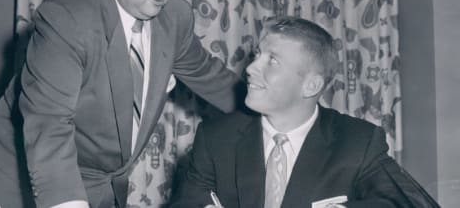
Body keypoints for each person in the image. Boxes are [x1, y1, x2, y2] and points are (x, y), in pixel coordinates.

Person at [0, 0, 244, 208]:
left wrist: (280, 110)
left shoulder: (175, 18)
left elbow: (213, 79)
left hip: (98, 187)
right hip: (16, 186)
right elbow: (49, 127)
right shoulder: (67, 19)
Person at [169, 16, 440, 208]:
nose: (251, 68)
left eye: (272, 61)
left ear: (311, 85)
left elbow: (403, 202)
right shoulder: (216, 139)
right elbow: (188, 202)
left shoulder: (358, 142)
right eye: (257, 55)